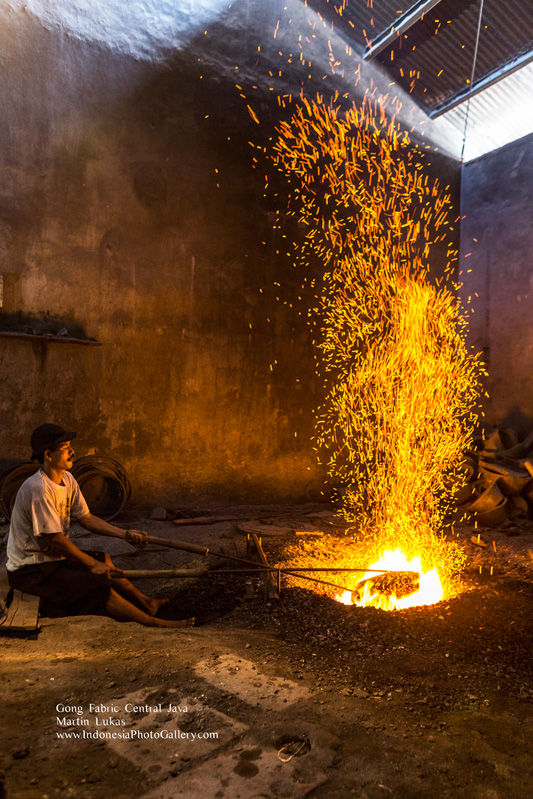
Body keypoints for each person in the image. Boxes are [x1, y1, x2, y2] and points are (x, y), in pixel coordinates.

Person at [6, 423, 192, 628]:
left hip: (51, 559)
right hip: (31, 570)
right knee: (97, 585)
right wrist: (91, 565)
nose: (72, 451)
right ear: (49, 455)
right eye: (65, 447)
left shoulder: (67, 479)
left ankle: (147, 603)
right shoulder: (38, 489)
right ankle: (153, 623)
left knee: (104, 559)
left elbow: (86, 518)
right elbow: (55, 540)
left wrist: (125, 533)